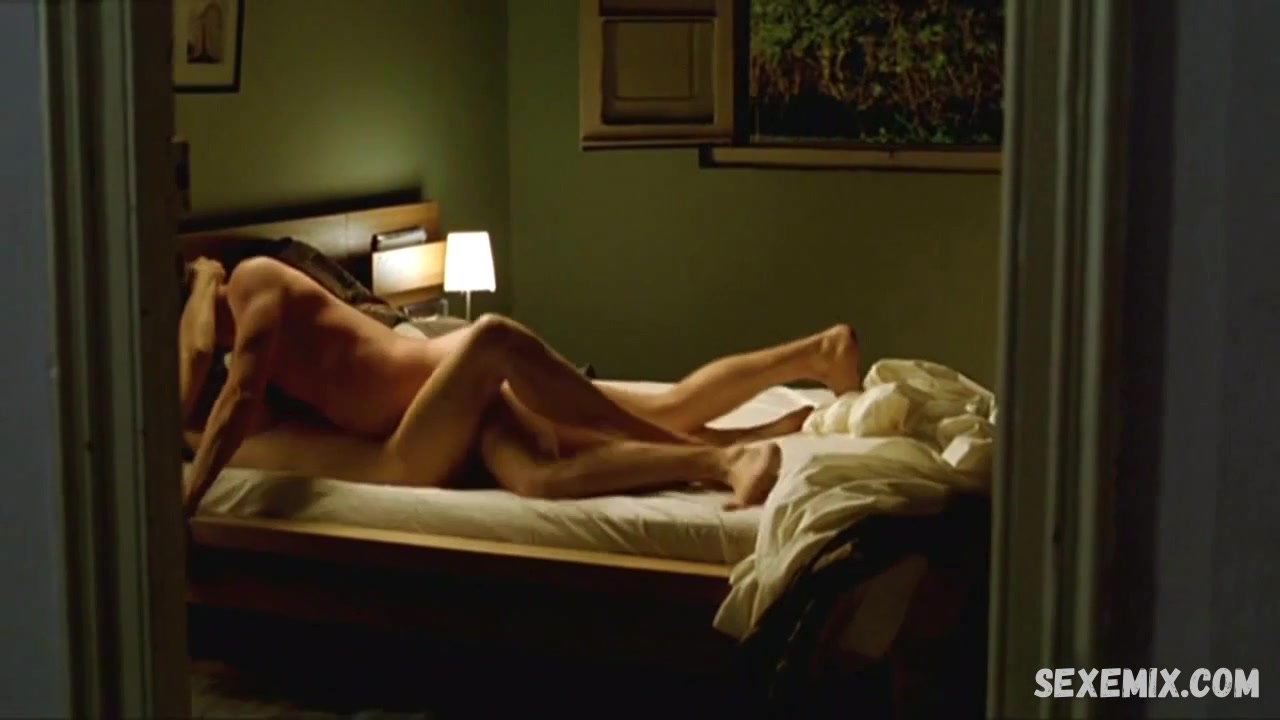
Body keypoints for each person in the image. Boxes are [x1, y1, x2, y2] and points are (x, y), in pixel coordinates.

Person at [179, 256, 862, 516]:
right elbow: (202, 374)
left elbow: (218, 368)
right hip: (438, 403)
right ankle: (776, 398)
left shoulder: (254, 285)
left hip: (444, 380)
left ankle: (731, 441)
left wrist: (206, 279)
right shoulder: (243, 383)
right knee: (658, 411)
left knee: (657, 409)